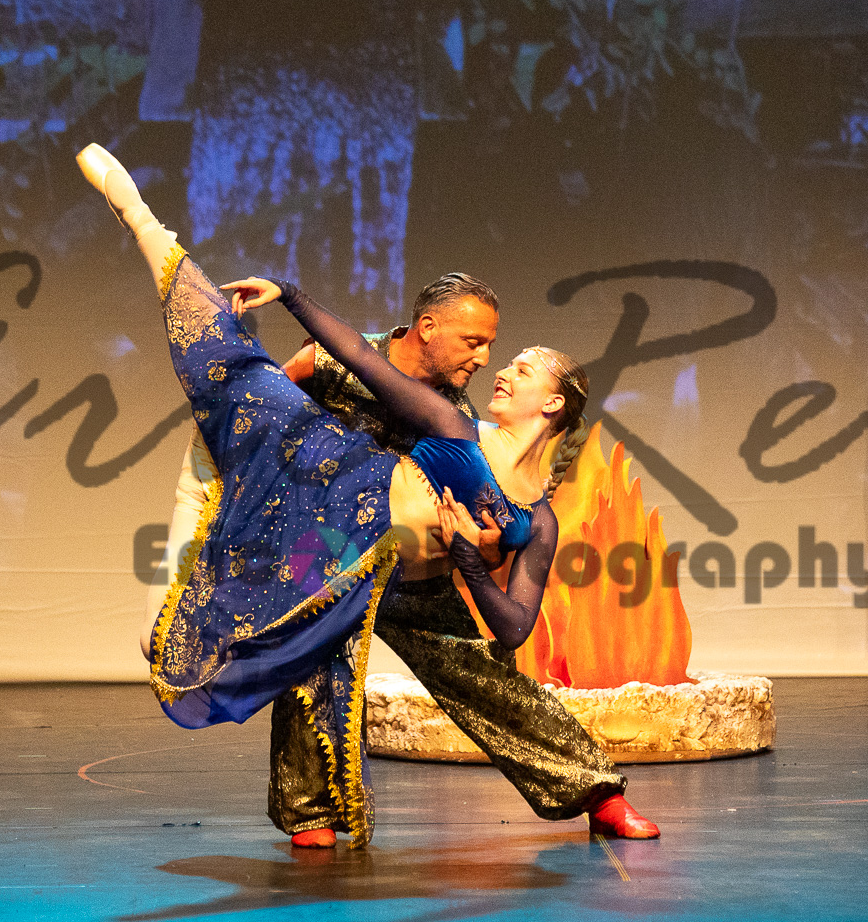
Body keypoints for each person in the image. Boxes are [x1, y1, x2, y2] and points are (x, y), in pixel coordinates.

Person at [77, 144, 656, 848]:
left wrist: (475, 552)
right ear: (429, 328)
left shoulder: (456, 411)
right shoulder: (333, 362)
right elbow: (261, 416)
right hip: (321, 538)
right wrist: (215, 491)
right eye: (473, 343)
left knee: (479, 671)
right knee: (308, 658)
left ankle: (595, 791)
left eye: (491, 348)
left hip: (409, 561)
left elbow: (484, 527)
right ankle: (312, 816)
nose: (483, 360)